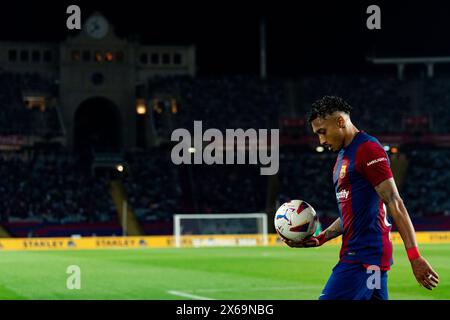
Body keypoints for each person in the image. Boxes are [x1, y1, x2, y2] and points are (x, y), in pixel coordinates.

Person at [283, 96, 439, 300]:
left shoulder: (367, 149)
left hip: (361, 258)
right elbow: (353, 213)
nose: (321, 140)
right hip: (367, 257)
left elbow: (394, 201)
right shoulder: (341, 158)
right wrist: (321, 238)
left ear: (340, 122)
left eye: (322, 132)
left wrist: (414, 256)